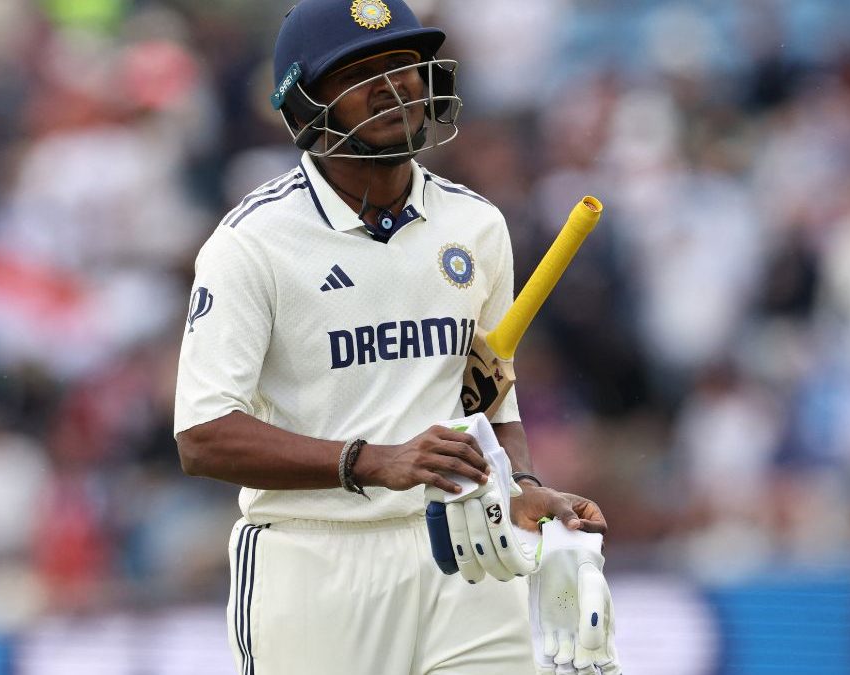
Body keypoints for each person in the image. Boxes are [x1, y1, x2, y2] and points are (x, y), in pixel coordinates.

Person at [174, 1, 608, 673]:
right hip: (316, 559)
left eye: (403, 64)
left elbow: (489, 399)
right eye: (359, 70)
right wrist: (372, 460)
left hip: (466, 553)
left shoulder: (477, 226)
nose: (394, 84)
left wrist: (522, 484)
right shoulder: (252, 244)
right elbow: (202, 437)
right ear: (305, 103)